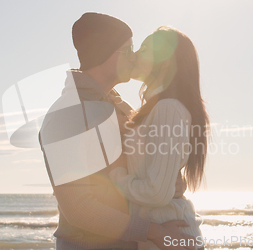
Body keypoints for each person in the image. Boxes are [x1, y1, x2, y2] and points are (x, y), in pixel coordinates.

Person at [39, 13, 196, 250]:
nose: (134, 57)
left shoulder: (123, 107)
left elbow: (146, 166)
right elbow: (79, 209)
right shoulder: (67, 114)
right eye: (128, 49)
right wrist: (155, 232)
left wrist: (169, 180)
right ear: (104, 53)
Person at [109, 26, 210, 250]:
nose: (134, 55)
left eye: (143, 49)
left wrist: (115, 181)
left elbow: (156, 192)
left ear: (164, 61)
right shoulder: (156, 108)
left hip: (170, 234)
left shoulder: (168, 109)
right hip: (160, 232)